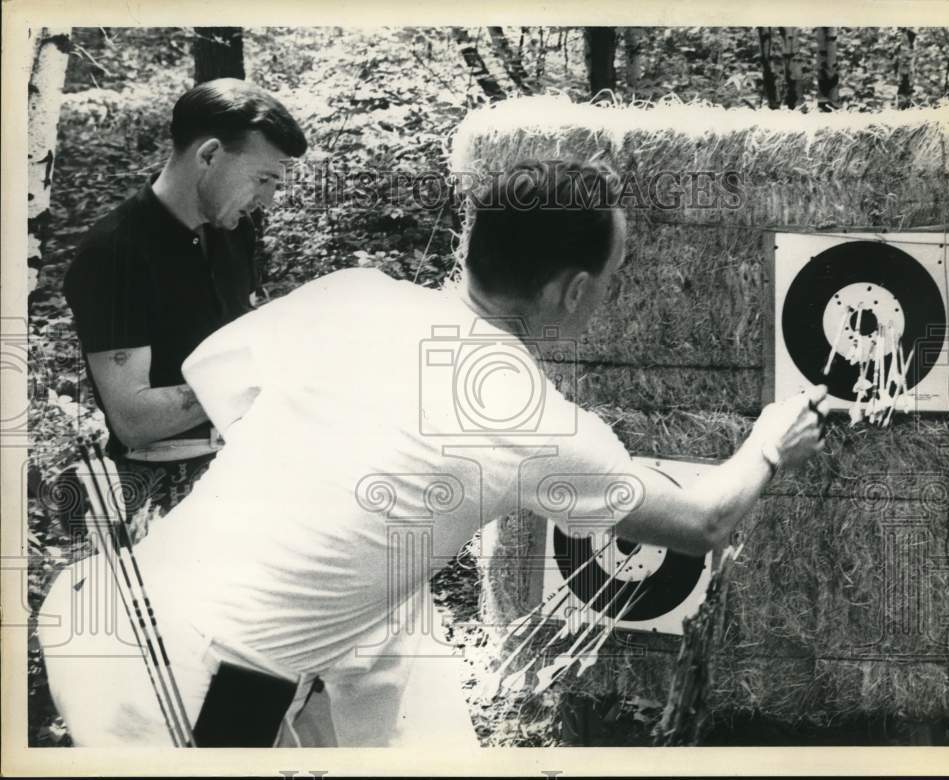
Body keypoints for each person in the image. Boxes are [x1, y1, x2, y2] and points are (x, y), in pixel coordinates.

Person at [40, 159, 829, 747]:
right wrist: (768, 442)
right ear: (571, 291)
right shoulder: (535, 422)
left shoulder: (355, 293)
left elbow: (215, 372)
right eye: (611, 279)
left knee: (335, 666)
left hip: (116, 611)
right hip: (186, 677)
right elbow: (704, 521)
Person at [61, 78, 307, 521]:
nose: (268, 199)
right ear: (209, 155)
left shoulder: (236, 230)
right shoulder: (113, 253)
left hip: (248, 467)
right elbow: (133, 420)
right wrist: (267, 372)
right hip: (160, 493)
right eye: (263, 178)